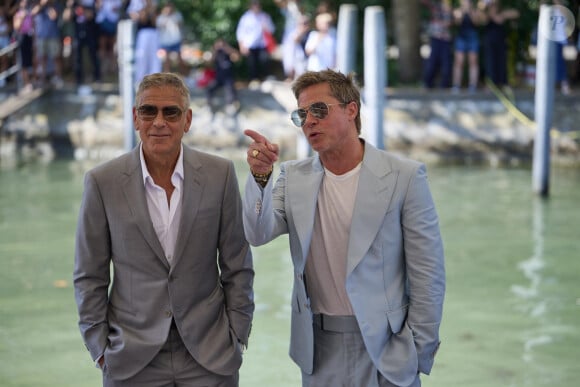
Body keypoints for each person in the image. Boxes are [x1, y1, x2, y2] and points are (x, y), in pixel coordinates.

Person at [242, 69, 445, 387]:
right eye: (302, 114)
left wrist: (417, 351)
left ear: (352, 109)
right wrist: (259, 178)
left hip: (388, 348)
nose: (309, 121)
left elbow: (428, 276)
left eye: (319, 110)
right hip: (318, 349)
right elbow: (257, 233)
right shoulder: (292, 176)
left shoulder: (405, 177)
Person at [74, 72, 255, 386]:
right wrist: (99, 347)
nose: (159, 121)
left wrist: (237, 335)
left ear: (187, 120)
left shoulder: (220, 174)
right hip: (130, 356)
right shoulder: (102, 182)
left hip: (210, 355)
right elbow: (90, 274)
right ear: (135, 118)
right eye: (148, 111)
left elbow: (237, 265)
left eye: (170, 112)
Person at [482, 0, 519, 91]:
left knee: (502, 61)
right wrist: (490, 12)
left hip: (501, 39)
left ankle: (504, 83)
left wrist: (503, 15)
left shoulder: (503, 11)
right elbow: (482, 19)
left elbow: (516, 13)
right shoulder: (485, 13)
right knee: (490, 61)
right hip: (489, 40)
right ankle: (491, 84)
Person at [235, 0, 275, 84]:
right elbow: (240, 32)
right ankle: (254, 80)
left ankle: (266, 78)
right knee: (252, 64)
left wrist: (266, 27)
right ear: (251, 6)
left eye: (258, 5)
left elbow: (272, 30)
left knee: (264, 60)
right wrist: (241, 46)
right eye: (254, 5)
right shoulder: (245, 17)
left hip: (262, 44)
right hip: (250, 45)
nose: (256, 7)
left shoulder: (265, 16)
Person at [451, 0, 486, 93]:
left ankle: (472, 85)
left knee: (473, 61)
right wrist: (463, 11)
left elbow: (476, 23)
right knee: (459, 61)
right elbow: (457, 22)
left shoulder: (475, 11)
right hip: (461, 37)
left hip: (473, 37)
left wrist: (471, 12)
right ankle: (456, 85)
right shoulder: (457, 11)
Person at [422, 0, 453, 89]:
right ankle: (428, 83)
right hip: (435, 39)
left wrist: (447, 11)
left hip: (445, 40)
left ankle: (444, 85)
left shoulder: (448, 9)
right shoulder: (435, 7)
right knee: (432, 62)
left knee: (446, 63)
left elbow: (449, 23)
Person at [206, 37, 241, 114]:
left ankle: (230, 105)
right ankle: (209, 105)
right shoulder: (216, 54)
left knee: (230, 88)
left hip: (228, 77)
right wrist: (215, 50)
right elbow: (209, 63)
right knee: (210, 88)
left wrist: (227, 48)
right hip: (218, 78)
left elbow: (237, 57)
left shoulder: (228, 53)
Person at [156, 1, 186, 74]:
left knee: (180, 58)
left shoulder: (177, 15)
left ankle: (183, 74)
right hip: (166, 41)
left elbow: (180, 24)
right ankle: (167, 74)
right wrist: (165, 16)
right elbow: (160, 26)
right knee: (167, 59)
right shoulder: (161, 17)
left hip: (176, 39)